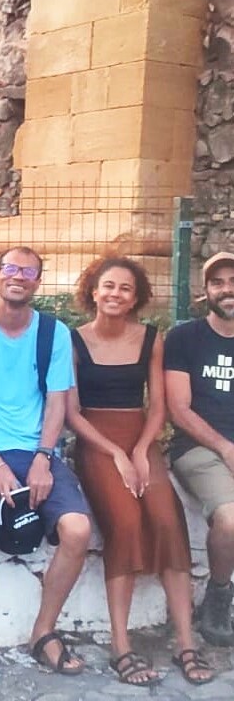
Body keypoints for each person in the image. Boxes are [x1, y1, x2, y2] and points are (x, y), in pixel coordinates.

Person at [0, 246, 91, 691]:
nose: (18, 277)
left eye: (28, 272)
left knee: (78, 530)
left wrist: (44, 458)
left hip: (37, 451)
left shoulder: (54, 334)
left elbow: (56, 402)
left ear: (37, 282)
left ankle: (43, 632)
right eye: (10, 268)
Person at [67, 257, 211, 685]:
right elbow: (72, 414)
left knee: (168, 521)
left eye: (125, 288)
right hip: (97, 440)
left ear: (136, 298)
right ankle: (121, 644)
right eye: (108, 286)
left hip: (140, 436)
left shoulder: (151, 338)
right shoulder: (73, 340)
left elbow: (159, 407)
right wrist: (116, 453)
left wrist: (143, 449)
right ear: (93, 292)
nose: (115, 294)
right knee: (127, 523)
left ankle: (185, 641)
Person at [165, 251, 234, 654]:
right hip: (198, 448)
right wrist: (225, 447)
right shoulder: (185, 338)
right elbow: (178, 409)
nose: (227, 290)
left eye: (233, 281)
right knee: (229, 519)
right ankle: (219, 596)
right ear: (206, 291)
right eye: (218, 282)